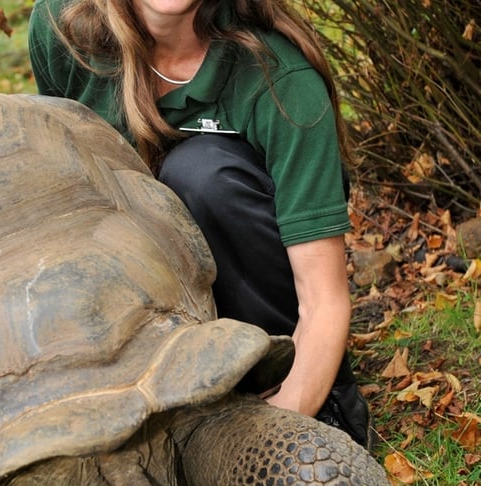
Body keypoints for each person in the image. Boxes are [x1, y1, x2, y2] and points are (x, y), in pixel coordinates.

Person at [27, 0, 371, 447]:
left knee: (199, 174)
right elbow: (60, 193)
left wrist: (290, 417)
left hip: (260, 307)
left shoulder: (280, 78)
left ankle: (317, 405)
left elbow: (324, 303)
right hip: (138, 292)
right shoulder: (61, 27)